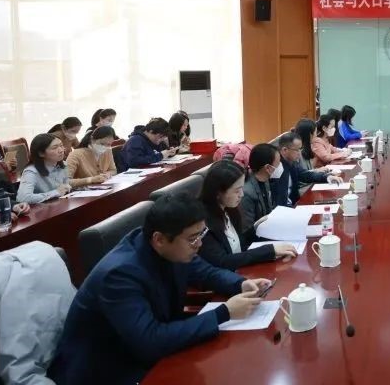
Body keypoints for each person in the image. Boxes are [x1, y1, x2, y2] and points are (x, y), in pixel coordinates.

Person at [49, 192, 272, 385]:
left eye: (201, 234)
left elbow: (206, 272)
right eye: (193, 238)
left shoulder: (171, 247)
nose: (199, 244)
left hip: (147, 352)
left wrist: (239, 284)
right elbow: (149, 341)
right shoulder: (119, 275)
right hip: (107, 371)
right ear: (159, 239)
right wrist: (224, 313)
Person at [198, 160, 297, 270]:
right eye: (237, 191)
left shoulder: (229, 209)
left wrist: (255, 228)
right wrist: (269, 251)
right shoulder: (202, 222)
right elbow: (222, 261)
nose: (242, 194)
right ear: (218, 192)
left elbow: (239, 245)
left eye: (242, 188)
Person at [272, 132, 340, 207]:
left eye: (300, 149)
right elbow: (280, 201)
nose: (299, 153)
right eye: (297, 150)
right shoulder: (276, 168)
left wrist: (326, 177)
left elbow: (305, 175)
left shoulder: (290, 163)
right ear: (285, 150)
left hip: (294, 205)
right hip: (284, 209)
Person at [17, 134, 71, 204]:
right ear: (41, 153)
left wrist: (66, 188)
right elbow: (23, 198)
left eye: (61, 145)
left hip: (60, 205)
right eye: (55, 148)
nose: (61, 150)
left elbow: (65, 188)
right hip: (41, 209)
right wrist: (56, 192)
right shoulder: (31, 172)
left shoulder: (63, 165)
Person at [241, 143, 283, 231]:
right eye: (278, 163)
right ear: (267, 168)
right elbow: (247, 230)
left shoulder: (265, 180)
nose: (280, 166)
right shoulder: (246, 193)